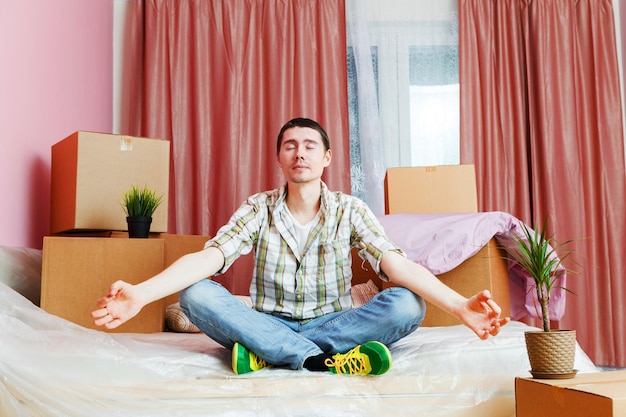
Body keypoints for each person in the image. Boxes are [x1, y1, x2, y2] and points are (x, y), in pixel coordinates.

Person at [92, 117, 510, 376]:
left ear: (326, 157)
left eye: (310, 145)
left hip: (334, 325)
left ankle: (270, 356)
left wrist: (459, 306)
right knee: (196, 293)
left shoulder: (349, 209)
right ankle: (318, 360)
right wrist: (142, 294)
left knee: (407, 304)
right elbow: (211, 257)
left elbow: (396, 265)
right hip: (268, 322)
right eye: (290, 145)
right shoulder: (259, 207)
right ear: (279, 158)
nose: (300, 153)